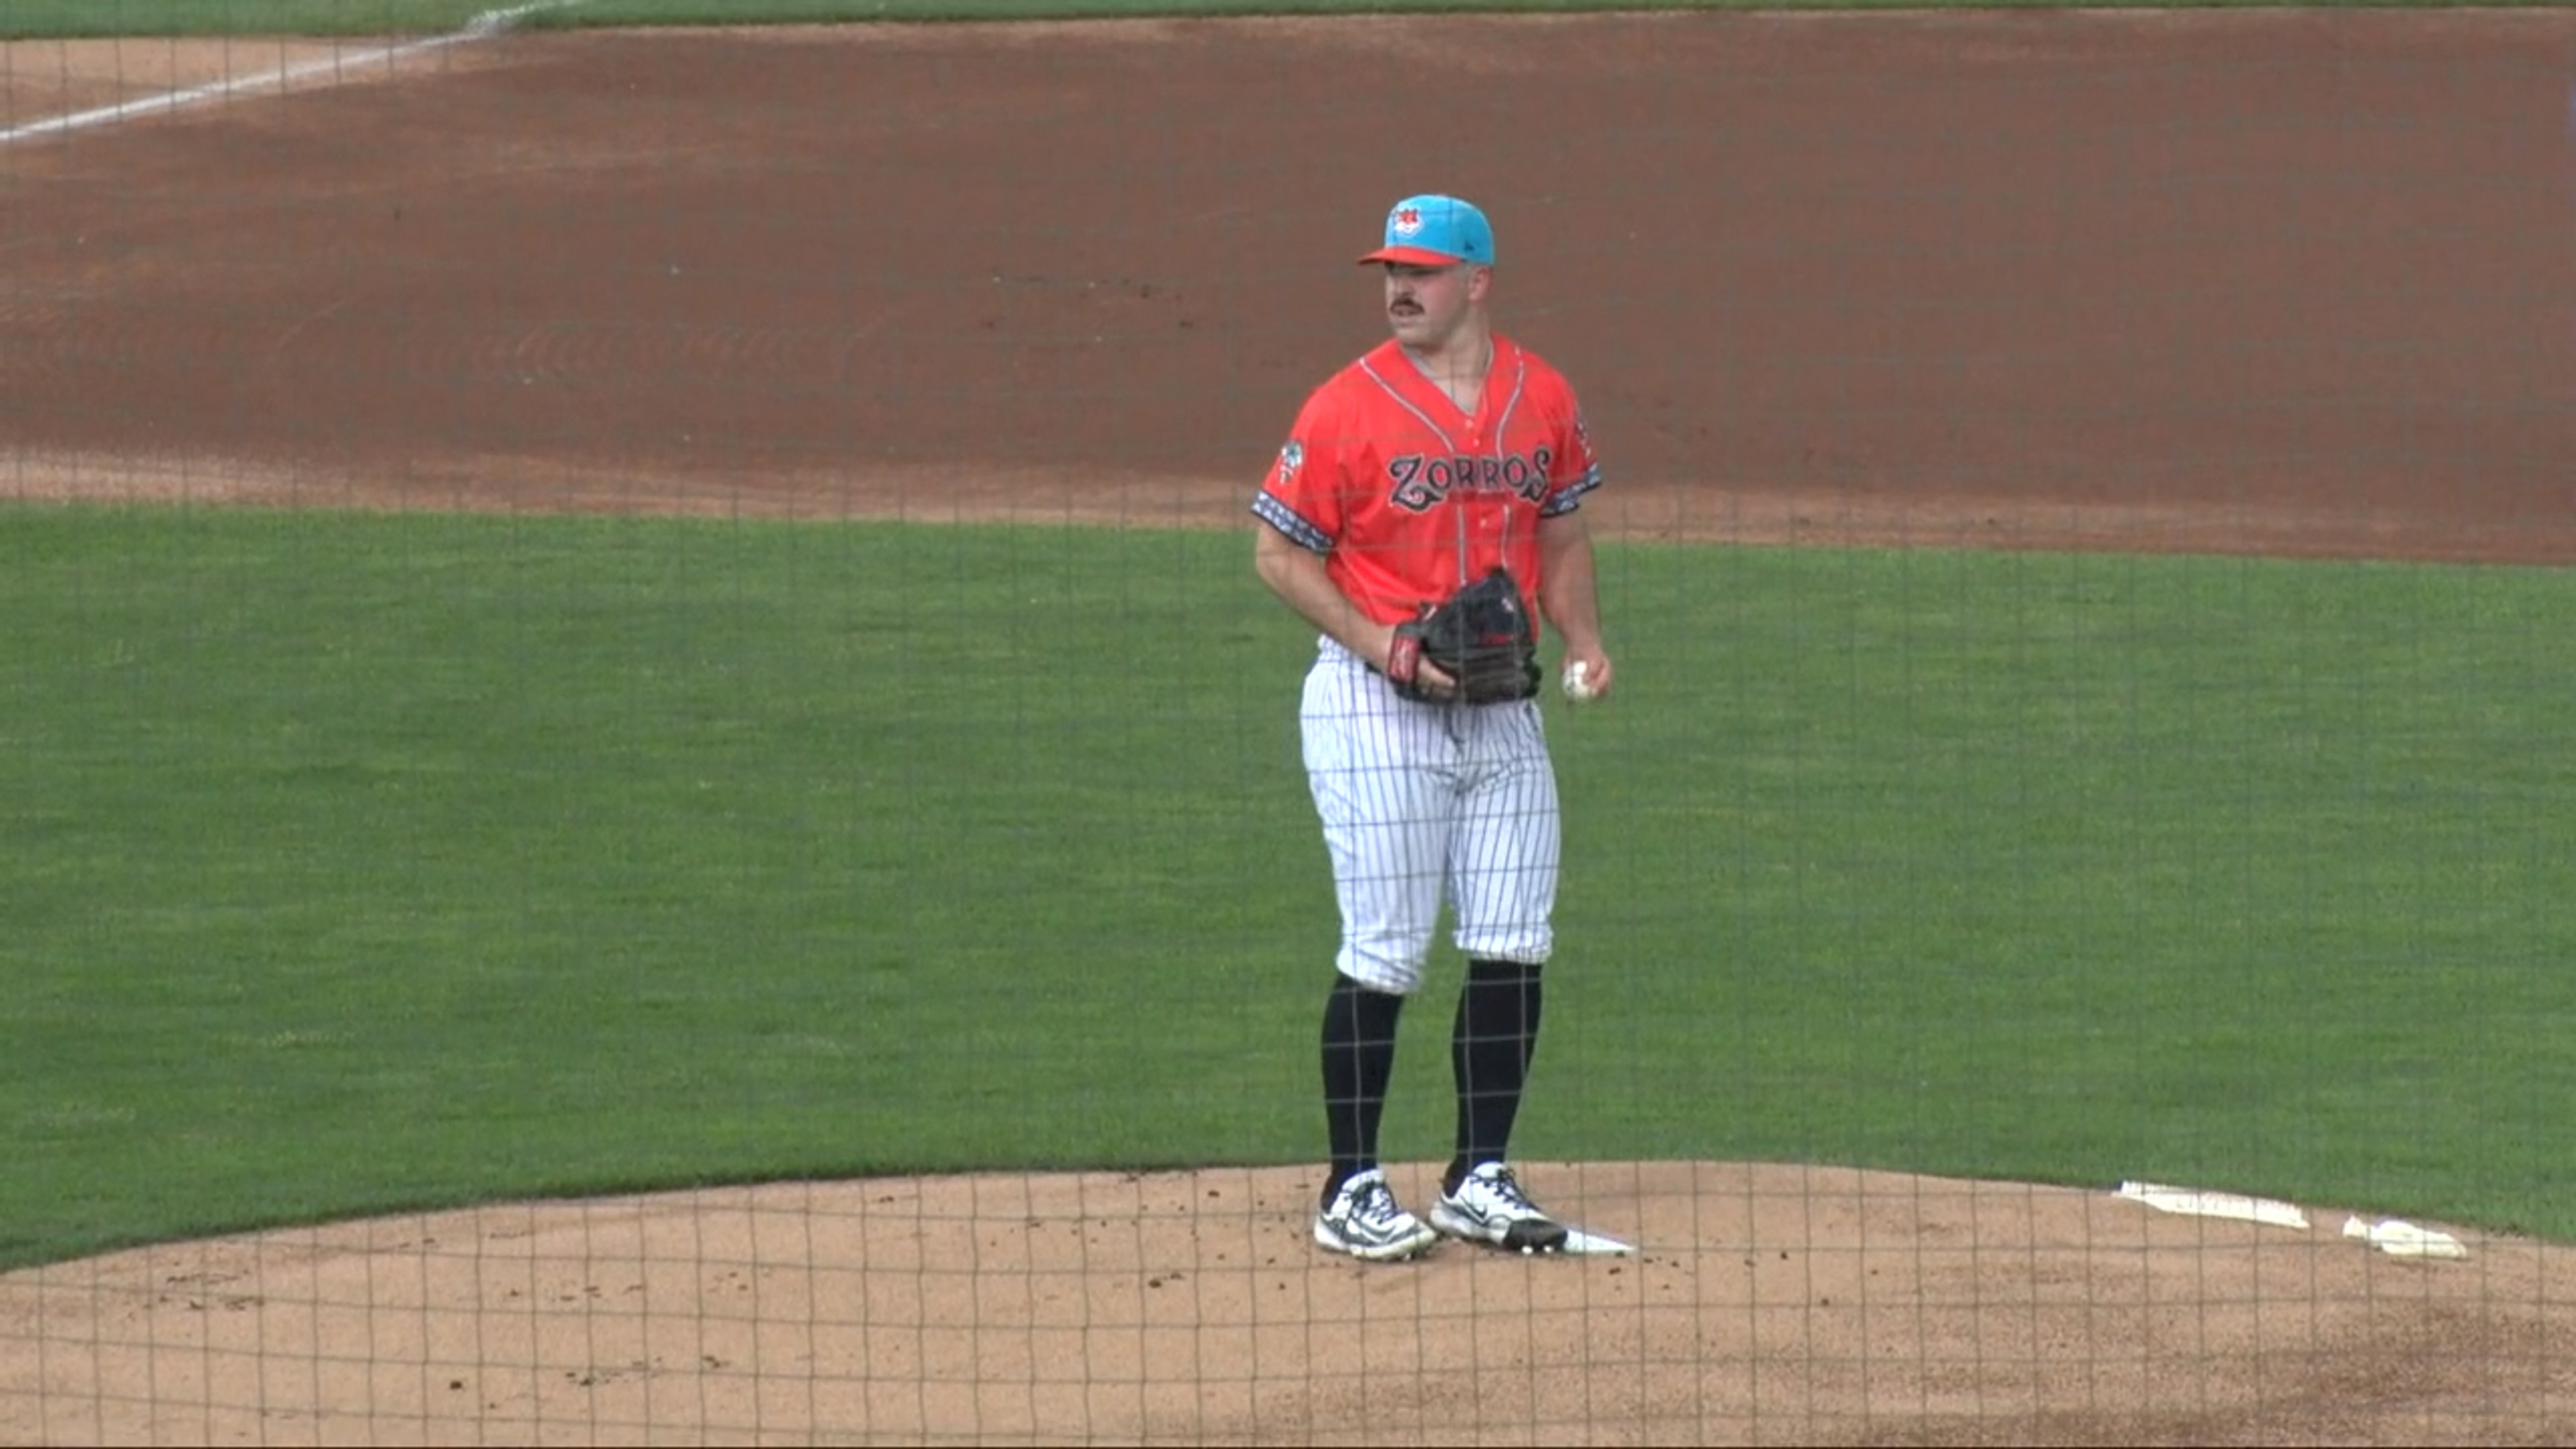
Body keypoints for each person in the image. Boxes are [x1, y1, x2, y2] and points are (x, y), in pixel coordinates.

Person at [1251, 194, 1614, 1260]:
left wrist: (1585, 636)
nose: (1400, 288)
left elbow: (1564, 527)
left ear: (1477, 281)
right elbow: (1278, 554)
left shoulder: (1541, 395)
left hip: (1502, 711)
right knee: (1387, 953)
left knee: (1512, 943)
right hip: (1376, 708)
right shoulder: (1342, 407)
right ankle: (1350, 1184)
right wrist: (1387, 646)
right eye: (1389, 271)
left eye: (1422, 270)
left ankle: (1479, 1174)